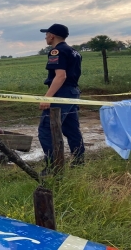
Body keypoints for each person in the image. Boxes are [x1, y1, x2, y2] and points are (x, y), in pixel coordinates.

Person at [37, 24, 84, 173]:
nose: (45, 37)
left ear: (52, 36)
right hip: (73, 92)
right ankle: (78, 162)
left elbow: (60, 76)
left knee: (47, 129)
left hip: (61, 93)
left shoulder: (56, 51)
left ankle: (52, 167)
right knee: (71, 128)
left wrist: (47, 97)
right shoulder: (74, 51)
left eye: (47, 34)